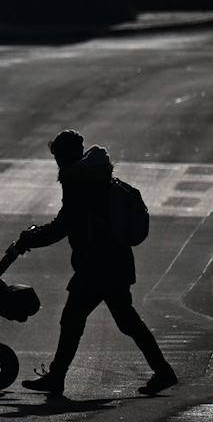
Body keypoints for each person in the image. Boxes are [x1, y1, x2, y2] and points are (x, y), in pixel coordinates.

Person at [17, 129, 176, 396]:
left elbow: (62, 226)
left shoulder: (78, 182)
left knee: (73, 320)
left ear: (65, 155)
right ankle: (162, 371)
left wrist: (28, 240)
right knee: (124, 321)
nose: (56, 161)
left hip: (96, 265)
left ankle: (57, 378)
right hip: (115, 262)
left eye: (57, 155)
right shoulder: (98, 177)